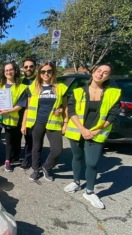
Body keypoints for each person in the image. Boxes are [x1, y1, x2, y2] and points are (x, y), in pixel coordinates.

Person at [64, 64, 120, 209]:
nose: (101, 74)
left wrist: (96, 130)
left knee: (92, 163)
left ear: (108, 76)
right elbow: (71, 110)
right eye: (99, 71)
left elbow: (113, 114)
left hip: (97, 133)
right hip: (78, 131)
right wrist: (82, 129)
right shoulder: (78, 91)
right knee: (77, 157)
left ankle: (89, 191)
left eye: (105, 73)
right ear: (93, 72)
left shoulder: (112, 93)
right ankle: (76, 182)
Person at [21, 61, 68, 181]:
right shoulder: (33, 87)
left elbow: (65, 106)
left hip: (54, 122)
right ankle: (36, 170)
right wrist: (24, 123)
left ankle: (47, 167)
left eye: (49, 71)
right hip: (37, 122)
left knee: (57, 150)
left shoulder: (61, 87)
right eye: (43, 71)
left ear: (53, 72)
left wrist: (65, 121)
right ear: (39, 73)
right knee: (36, 147)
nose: (46, 73)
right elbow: (28, 107)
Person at [0, 62, 27, 172]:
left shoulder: (21, 87)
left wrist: (8, 111)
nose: (8, 72)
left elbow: (21, 104)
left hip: (10, 117)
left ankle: (7, 161)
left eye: (10, 70)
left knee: (10, 141)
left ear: (15, 71)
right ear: (3, 72)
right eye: (6, 70)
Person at [18, 58, 37, 169]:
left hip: (31, 112)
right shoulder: (20, 80)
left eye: (31, 66)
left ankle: (27, 158)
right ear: (23, 68)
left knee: (29, 137)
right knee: (17, 135)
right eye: (26, 67)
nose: (28, 69)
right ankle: (15, 156)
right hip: (18, 111)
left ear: (35, 67)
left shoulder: (38, 81)